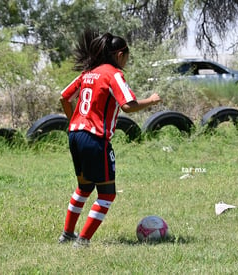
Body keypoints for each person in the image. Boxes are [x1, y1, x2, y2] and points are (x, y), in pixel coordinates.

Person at [58, 29, 161, 246]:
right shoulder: (113, 73)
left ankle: (67, 234)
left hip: (75, 135)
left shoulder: (88, 73)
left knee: (84, 188)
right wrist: (151, 100)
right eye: (127, 57)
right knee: (106, 194)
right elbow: (127, 105)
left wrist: (74, 120)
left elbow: (64, 97)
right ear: (120, 55)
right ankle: (83, 241)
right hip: (95, 139)